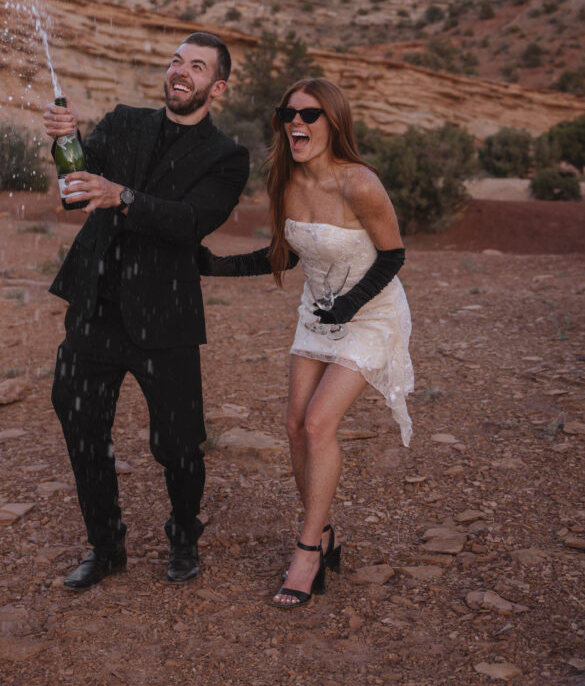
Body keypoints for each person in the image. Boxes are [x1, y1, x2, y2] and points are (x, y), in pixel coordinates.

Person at [43, 31, 249, 589]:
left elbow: (191, 222)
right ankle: (106, 546)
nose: (181, 72)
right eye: (177, 61)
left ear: (217, 87)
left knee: (179, 444)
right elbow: (74, 191)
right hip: (96, 308)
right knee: (81, 424)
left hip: (166, 317)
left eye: (197, 67)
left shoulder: (227, 157)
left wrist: (125, 197)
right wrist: (67, 142)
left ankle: (183, 534)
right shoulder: (124, 121)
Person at [199, 77, 413, 609]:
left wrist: (350, 305)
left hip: (371, 313)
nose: (296, 122)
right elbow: (288, 256)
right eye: (288, 114)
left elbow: (392, 256)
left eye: (310, 114)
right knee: (294, 425)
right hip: (317, 315)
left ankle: (307, 551)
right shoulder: (286, 179)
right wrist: (213, 266)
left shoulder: (360, 184)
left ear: (333, 122)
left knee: (319, 424)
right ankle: (323, 533)